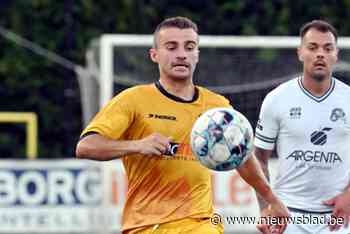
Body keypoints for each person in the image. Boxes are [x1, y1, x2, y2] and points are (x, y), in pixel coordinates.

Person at [76, 16, 288, 234]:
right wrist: (137, 145)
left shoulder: (217, 107)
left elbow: (243, 158)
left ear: (197, 55)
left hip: (203, 223)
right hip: (148, 226)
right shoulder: (133, 100)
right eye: (171, 47)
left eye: (189, 47)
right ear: (154, 55)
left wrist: (270, 201)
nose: (181, 54)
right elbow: (86, 146)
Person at [255, 19, 350, 234]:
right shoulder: (277, 99)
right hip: (288, 217)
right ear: (300, 52)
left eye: (328, 48)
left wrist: (349, 195)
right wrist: (266, 207)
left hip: (338, 218)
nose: (320, 54)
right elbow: (259, 157)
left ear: (336, 54)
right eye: (312, 47)